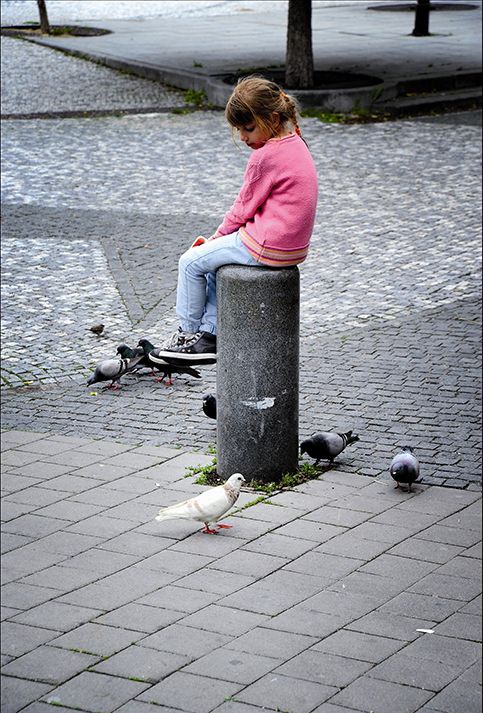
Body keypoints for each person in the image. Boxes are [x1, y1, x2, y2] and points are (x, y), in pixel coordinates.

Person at [150, 75, 318, 364]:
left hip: (267, 244)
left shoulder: (266, 156)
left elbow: (242, 210)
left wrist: (215, 239)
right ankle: (210, 336)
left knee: (190, 262)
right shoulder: (296, 141)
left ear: (274, 119)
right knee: (217, 261)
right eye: (239, 129)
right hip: (292, 247)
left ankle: (187, 337)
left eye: (249, 128)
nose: (243, 137)